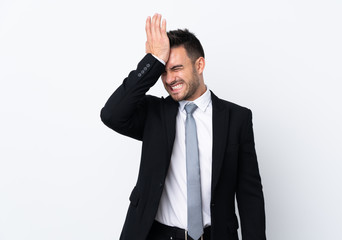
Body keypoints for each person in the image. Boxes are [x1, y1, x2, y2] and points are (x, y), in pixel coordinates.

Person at [101, 13, 266, 240]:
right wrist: (153, 61)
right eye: (164, 71)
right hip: (158, 235)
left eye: (176, 68)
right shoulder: (154, 115)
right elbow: (111, 114)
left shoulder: (237, 118)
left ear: (200, 65)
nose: (169, 79)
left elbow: (250, 194)